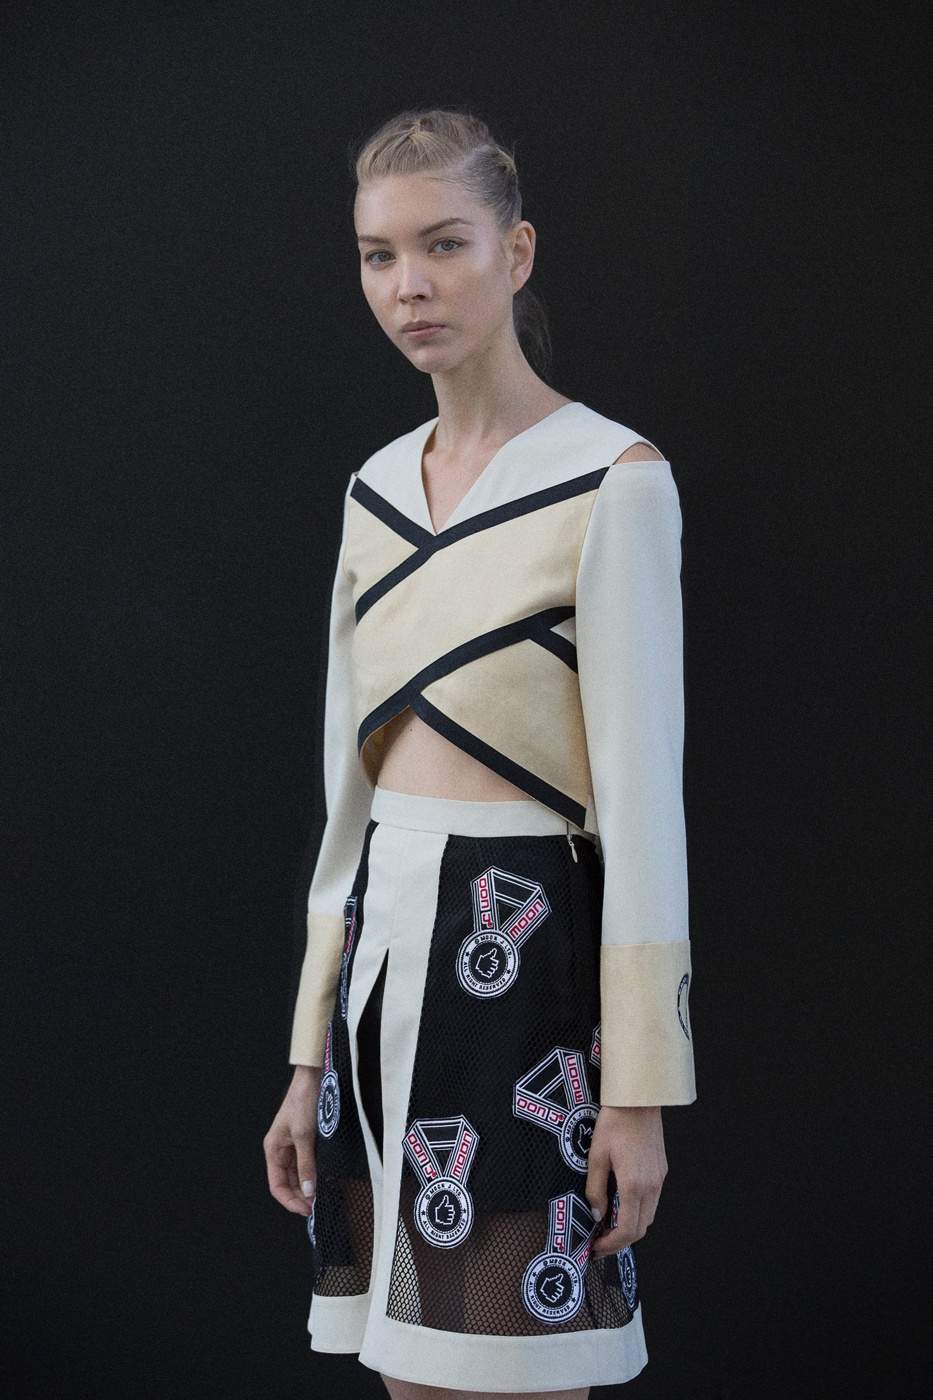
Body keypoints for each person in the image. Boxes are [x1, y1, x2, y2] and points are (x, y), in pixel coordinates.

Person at [263, 108, 696, 1400]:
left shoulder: (610, 479)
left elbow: (643, 804)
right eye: (378, 254)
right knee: (407, 1370)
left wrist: (638, 1090)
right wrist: (305, 1053)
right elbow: (346, 802)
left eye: (443, 245)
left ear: (515, 252)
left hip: (522, 974)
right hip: (380, 965)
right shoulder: (373, 491)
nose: (409, 286)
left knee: (518, 1370)